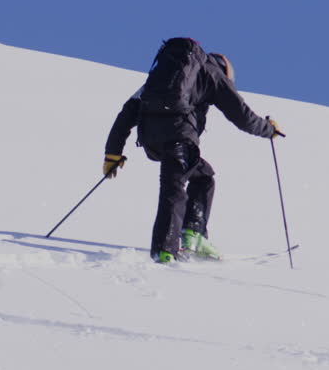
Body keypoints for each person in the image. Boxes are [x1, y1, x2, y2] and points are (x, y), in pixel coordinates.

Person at [103, 38, 282, 263]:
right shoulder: (213, 74)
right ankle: (164, 250)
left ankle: (193, 234)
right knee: (174, 188)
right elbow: (242, 116)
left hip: (151, 139)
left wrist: (112, 153)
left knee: (203, 177)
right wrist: (269, 130)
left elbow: (127, 112)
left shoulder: (162, 77)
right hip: (179, 138)